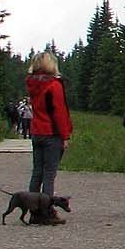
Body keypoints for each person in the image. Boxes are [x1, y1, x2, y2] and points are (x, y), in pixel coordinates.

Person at [25, 52, 73, 199]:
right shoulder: (54, 85)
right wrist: (65, 136)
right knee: (49, 174)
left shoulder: (32, 83)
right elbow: (60, 112)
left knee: (37, 172)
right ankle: (46, 209)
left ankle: (33, 208)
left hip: (37, 132)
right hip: (51, 133)